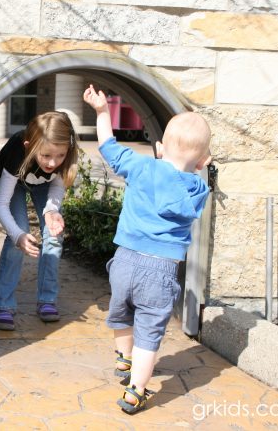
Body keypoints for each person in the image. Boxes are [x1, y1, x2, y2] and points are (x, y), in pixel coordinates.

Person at [83, 84, 212, 414]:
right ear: (202, 161)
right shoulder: (196, 187)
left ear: (158, 147)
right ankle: (135, 391)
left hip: (125, 260)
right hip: (161, 267)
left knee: (121, 313)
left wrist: (101, 111)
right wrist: (199, 167)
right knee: (149, 329)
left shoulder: (140, 167)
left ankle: (123, 359)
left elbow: (108, 146)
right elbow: (192, 182)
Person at [0, 111, 79, 331]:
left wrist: (51, 210)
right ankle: (3, 304)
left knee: (54, 234)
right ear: (30, 146)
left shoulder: (62, 154)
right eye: (46, 155)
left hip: (45, 187)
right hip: (15, 183)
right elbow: (1, 204)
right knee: (18, 233)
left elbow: (58, 185)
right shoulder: (16, 153)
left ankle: (47, 300)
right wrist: (18, 235)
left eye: (59, 156)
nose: (53, 162)